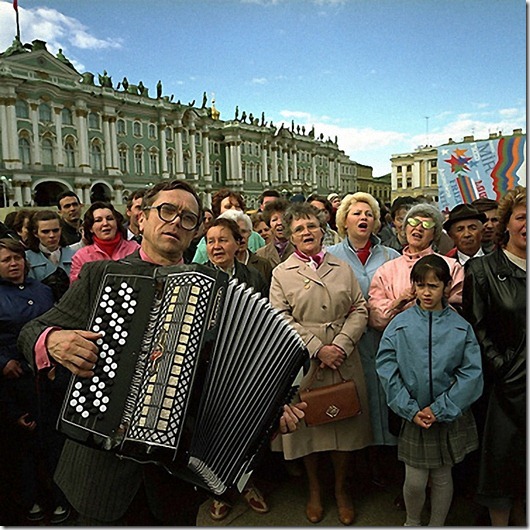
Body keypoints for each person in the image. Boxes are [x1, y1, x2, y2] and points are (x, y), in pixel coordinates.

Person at [17, 180, 306, 525]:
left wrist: (270, 412)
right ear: (142, 219)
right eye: (167, 211)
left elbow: (243, 373)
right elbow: (31, 331)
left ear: (195, 231)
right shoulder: (102, 274)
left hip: (176, 483)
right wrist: (52, 341)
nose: (175, 222)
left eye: (187, 218)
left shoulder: (218, 292)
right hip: (100, 473)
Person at [270, 202, 372, 525]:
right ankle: (314, 489)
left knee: (344, 426)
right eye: (299, 229)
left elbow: (359, 308)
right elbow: (279, 317)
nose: (306, 233)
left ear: (322, 228)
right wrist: (317, 347)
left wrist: (340, 344)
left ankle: (342, 490)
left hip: (344, 357)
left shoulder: (342, 266)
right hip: (304, 362)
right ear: (290, 235)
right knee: (309, 430)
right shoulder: (280, 273)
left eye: (311, 226)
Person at [376, 254, 483, 526]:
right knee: (414, 479)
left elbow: (471, 373)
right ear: (413, 287)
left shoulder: (461, 327)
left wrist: (441, 408)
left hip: (446, 414)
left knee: (443, 476)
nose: (426, 292)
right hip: (414, 415)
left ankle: (437, 524)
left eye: (434, 286)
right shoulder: (398, 325)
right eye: (421, 285)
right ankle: (412, 521)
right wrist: (409, 409)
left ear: (446, 287)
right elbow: (387, 369)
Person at [462, 186, 526, 526]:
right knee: (501, 470)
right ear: (506, 224)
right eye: (522, 217)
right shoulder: (484, 270)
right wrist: (504, 369)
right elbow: (477, 329)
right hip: (504, 391)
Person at [327, 192, 401, 483]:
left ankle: (387, 465)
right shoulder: (331, 257)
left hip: (386, 342)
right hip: (351, 344)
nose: (363, 218)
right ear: (344, 220)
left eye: (369, 213)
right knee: (357, 401)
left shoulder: (391, 256)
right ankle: (360, 468)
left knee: (386, 398)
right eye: (356, 213)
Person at [204, 217, 269, 520]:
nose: (216, 246)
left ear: (238, 243)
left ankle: (247, 483)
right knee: (214, 431)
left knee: (245, 429)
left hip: (246, 365)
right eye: (211, 241)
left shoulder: (253, 276)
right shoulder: (199, 277)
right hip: (209, 369)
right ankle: (219, 491)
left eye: (223, 240)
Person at [0, 238, 56, 523]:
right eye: (6, 260)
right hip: (14, 381)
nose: (13, 264)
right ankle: (30, 498)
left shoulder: (43, 290)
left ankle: (56, 495)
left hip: (47, 377)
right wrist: (3, 361)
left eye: (17, 258)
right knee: (24, 445)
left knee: (52, 440)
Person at [368, 202, 465, 331]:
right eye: (413, 222)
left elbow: (461, 314)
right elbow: (375, 319)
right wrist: (397, 303)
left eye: (426, 225)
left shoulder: (452, 267)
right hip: (400, 342)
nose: (418, 228)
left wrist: (439, 301)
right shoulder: (387, 270)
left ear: (434, 234)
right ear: (405, 228)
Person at [69, 201, 139, 282]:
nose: (105, 223)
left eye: (109, 219)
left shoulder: (135, 249)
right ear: (91, 228)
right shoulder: (81, 257)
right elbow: (78, 290)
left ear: (117, 223)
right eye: (98, 220)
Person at [192, 188, 265, 263]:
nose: (234, 210)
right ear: (218, 212)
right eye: (228, 207)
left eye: (237, 206)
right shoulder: (207, 241)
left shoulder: (255, 238)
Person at [25, 210, 76, 301]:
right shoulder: (26, 258)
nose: (52, 235)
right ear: (35, 233)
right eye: (45, 232)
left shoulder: (75, 255)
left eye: (55, 230)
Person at [218, 209, 273, 287]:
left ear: (250, 233)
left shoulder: (263, 265)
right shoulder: (218, 265)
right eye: (236, 232)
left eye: (244, 231)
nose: (240, 236)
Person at [255, 198, 295, 269]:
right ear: (269, 224)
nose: (279, 223)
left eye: (283, 218)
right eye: (274, 220)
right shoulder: (260, 254)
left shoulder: (300, 250)